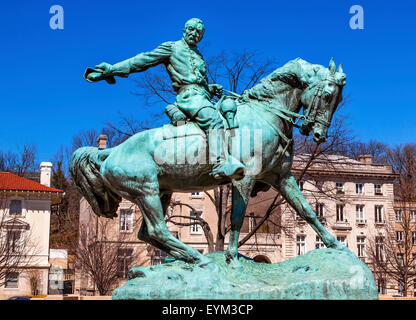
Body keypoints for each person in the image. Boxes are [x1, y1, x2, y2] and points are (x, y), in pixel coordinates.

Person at [85, 18, 244, 180]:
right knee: (214, 120)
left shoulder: (198, 55)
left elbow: (197, 81)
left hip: (203, 98)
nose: (194, 34)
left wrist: (210, 88)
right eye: (191, 29)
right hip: (189, 97)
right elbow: (143, 60)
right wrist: (113, 69)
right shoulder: (172, 48)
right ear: (184, 30)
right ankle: (219, 164)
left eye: (199, 32)